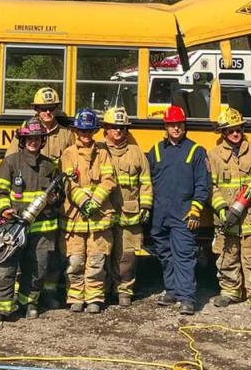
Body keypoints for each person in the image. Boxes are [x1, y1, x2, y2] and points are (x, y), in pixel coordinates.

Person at [0, 118, 62, 325]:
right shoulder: (10, 162)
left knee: (37, 269)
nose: (33, 141)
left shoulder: (49, 165)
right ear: (22, 139)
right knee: (5, 266)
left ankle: (29, 303)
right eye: (29, 137)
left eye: (37, 138)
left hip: (42, 228)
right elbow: (0, 191)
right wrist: (5, 209)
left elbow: (58, 195)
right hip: (14, 225)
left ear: (42, 140)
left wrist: (51, 200)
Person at [208, 108, 251, 315]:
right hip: (227, 217)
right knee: (228, 256)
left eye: (238, 129)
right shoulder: (213, 155)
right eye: (230, 131)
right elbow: (211, 186)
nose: (235, 134)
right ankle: (230, 291)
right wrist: (220, 208)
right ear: (223, 133)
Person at [146, 105, 210, 315]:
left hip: (184, 213)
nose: (176, 128)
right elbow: (147, 182)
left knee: (183, 254)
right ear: (166, 126)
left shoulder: (196, 151)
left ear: (185, 126)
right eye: (172, 124)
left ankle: (187, 297)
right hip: (160, 214)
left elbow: (203, 184)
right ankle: (172, 290)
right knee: (164, 253)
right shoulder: (155, 151)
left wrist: (195, 210)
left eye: (179, 124)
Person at [60, 108, 116, 313]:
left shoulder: (103, 153)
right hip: (75, 217)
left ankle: (94, 297)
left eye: (89, 131)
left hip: (99, 216)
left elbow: (109, 180)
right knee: (75, 260)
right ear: (76, 132)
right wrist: (84, 202)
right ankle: (75, 295)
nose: (86, 135)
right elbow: (68, 184)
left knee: (96, 260)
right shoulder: (68, 154)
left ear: (94, 132)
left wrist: (96, 201)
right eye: (82, 131)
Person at [100, 106, 152, 307]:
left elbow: (145, 181)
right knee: (101, 253)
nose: (118, 131)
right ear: (106, 128)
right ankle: (102, 290)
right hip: (103, 211)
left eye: (122, 128)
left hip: (129, 213)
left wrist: (145, 206)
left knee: (127, 255)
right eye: (114, 127)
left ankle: (124, 290)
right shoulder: (98, 150)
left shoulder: (136, 153)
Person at [5, 87, 74, 161]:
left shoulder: (66, 134)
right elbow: (9, 159)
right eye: (43, 108)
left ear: (56, 108)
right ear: (36, 109)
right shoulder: (25, 131)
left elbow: (74, 158)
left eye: (51, 108)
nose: (48, 112)